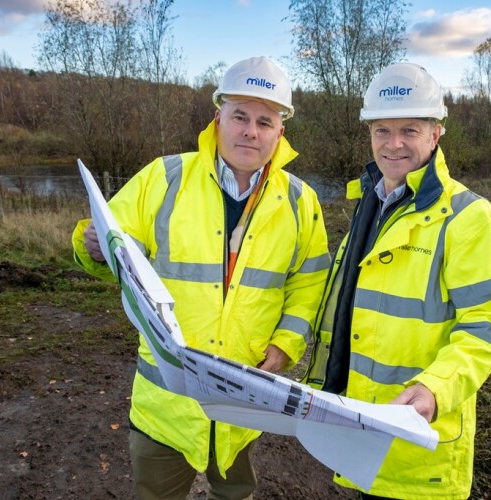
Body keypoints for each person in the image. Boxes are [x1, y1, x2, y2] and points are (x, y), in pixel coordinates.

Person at [71, 56, 330, 500]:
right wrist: (90, 244)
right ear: (219, 117)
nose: (251, 131)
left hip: (245, 398)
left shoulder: (300, 200)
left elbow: (309, 284)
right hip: (166, 403)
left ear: (280, 132)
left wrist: (286, 344)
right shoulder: (165, 177)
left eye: (265, 121)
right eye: (240, 116)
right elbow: (110, 237)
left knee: (235, 492)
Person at [304, 63, 491, 499]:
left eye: (409, 130)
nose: (394, 143)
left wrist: (435, 389)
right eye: (382, 130)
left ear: (436, 133)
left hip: (418, 444)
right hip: (361, 426)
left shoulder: (468, 218)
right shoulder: (372, 202)